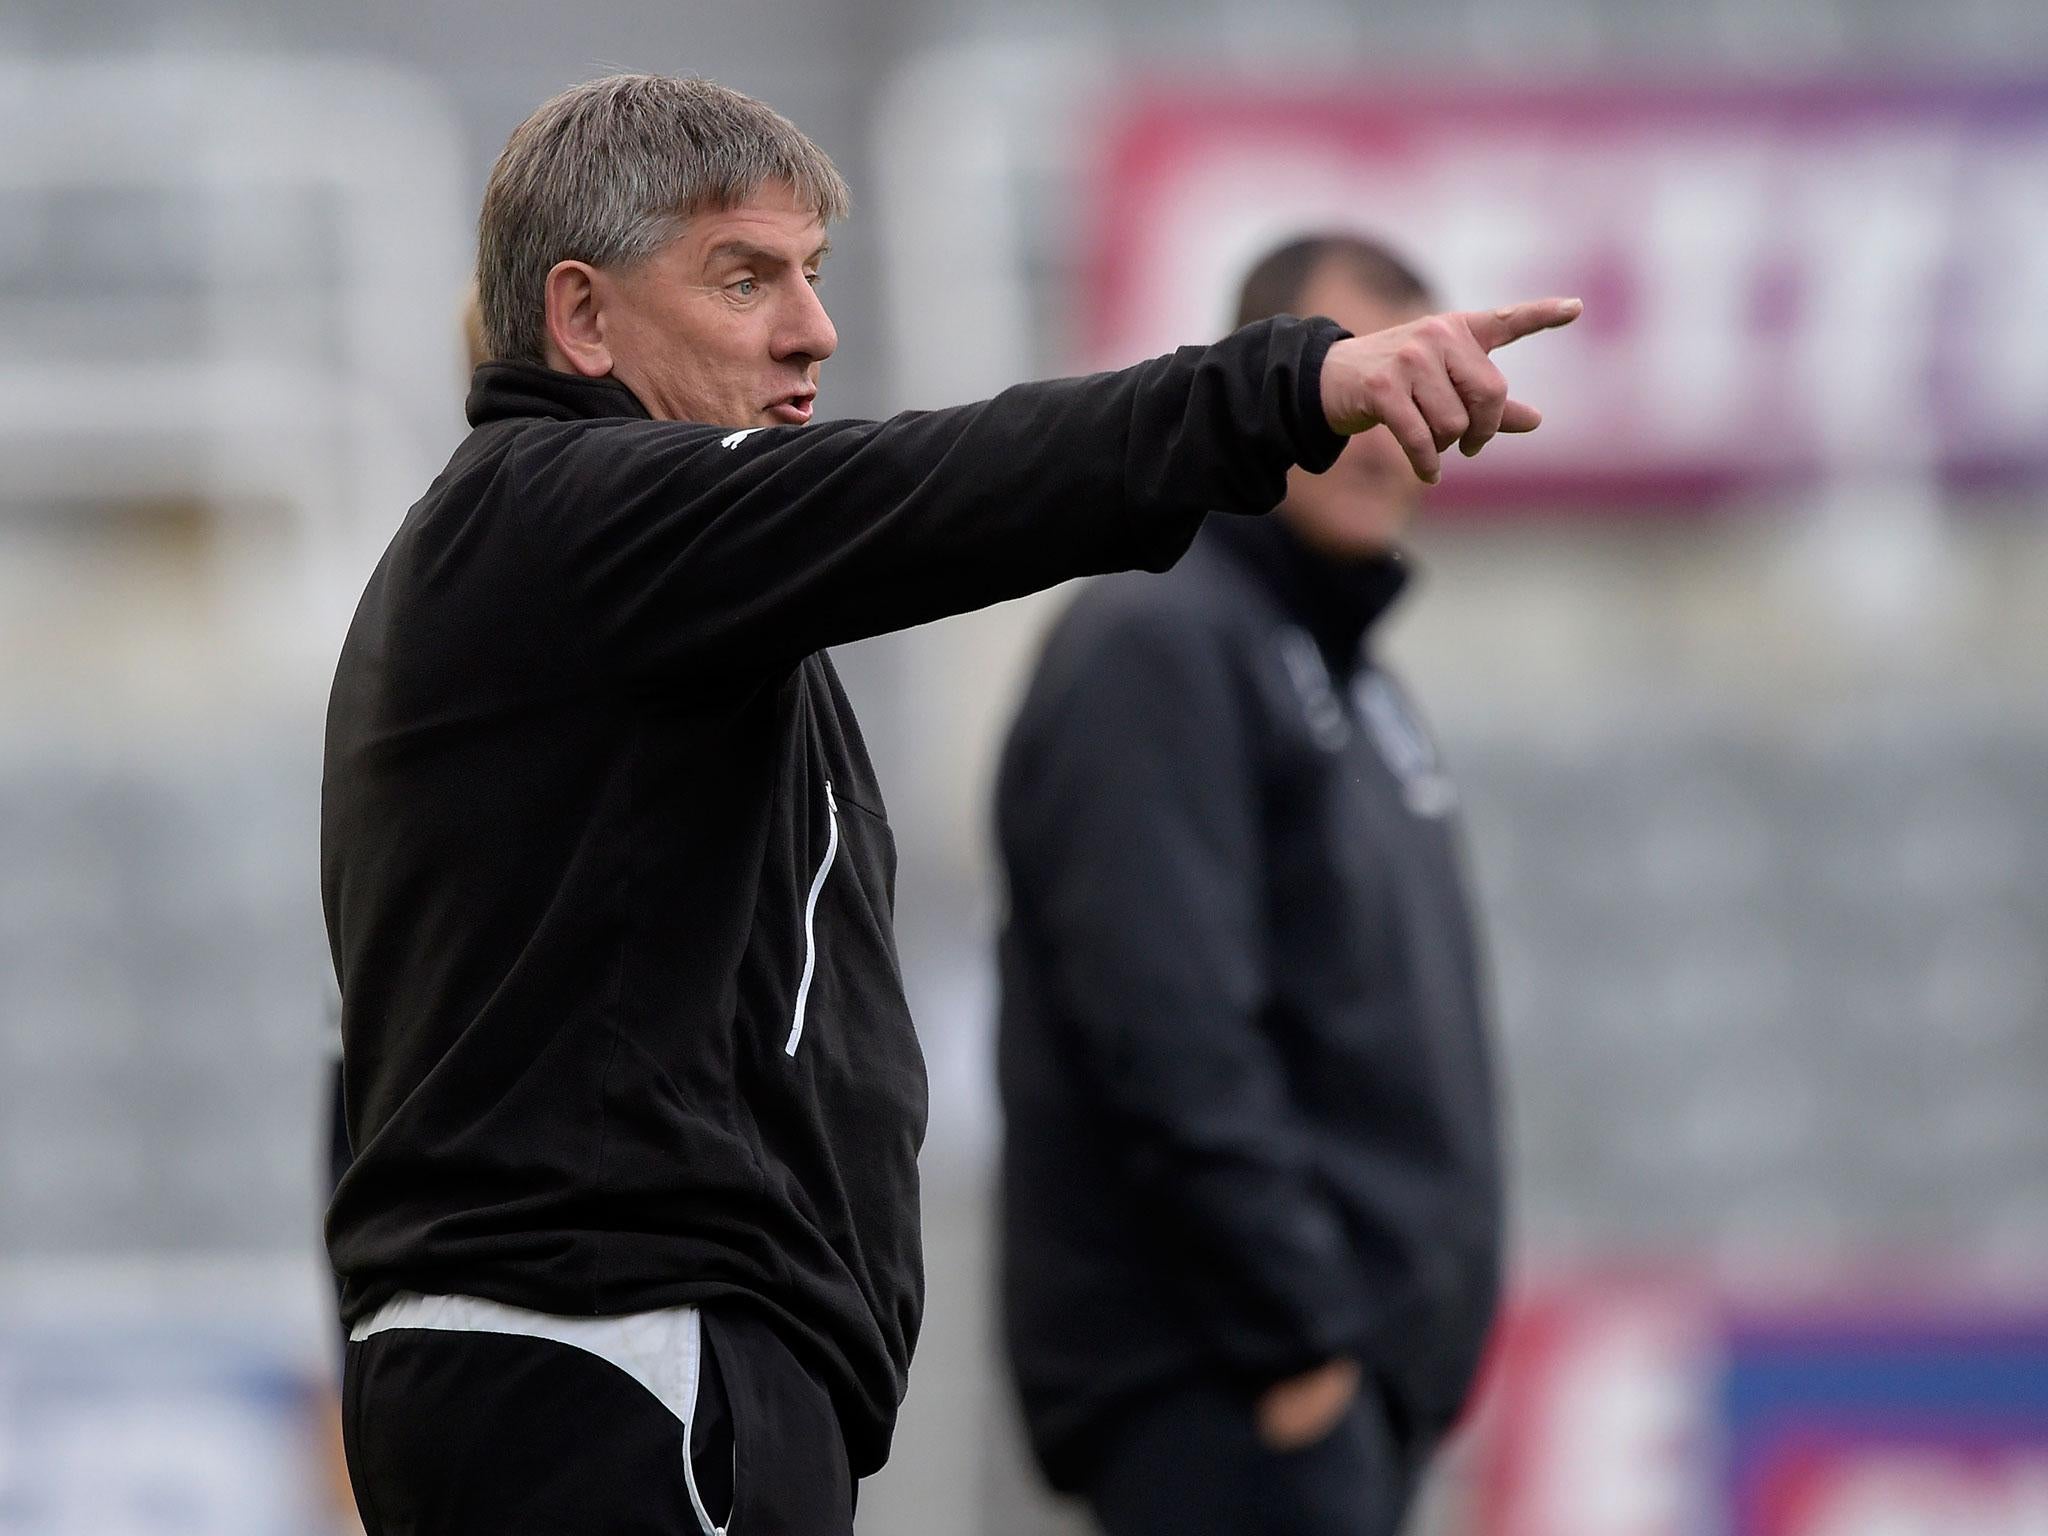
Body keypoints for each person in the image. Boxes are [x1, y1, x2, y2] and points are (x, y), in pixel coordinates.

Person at [323, 73, 1576, 1536]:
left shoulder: (605, 583)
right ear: (584, 319)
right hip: (616, 1355)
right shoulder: (568, 514)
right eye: (745, 277)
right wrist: (1282, 389)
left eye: (814, 274)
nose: (814, 329)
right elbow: (938, 486)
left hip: (617, 1357)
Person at [994, 234, 1507, 1536]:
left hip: (1330, 1406)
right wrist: (1302, 1352)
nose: (1396, 434)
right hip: (1230, 1399)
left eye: (1419, 394)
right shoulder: (1158, 639)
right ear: (1279, 388)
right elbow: (1163, 1027)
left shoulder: (1351, 677)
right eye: (1363, 388)